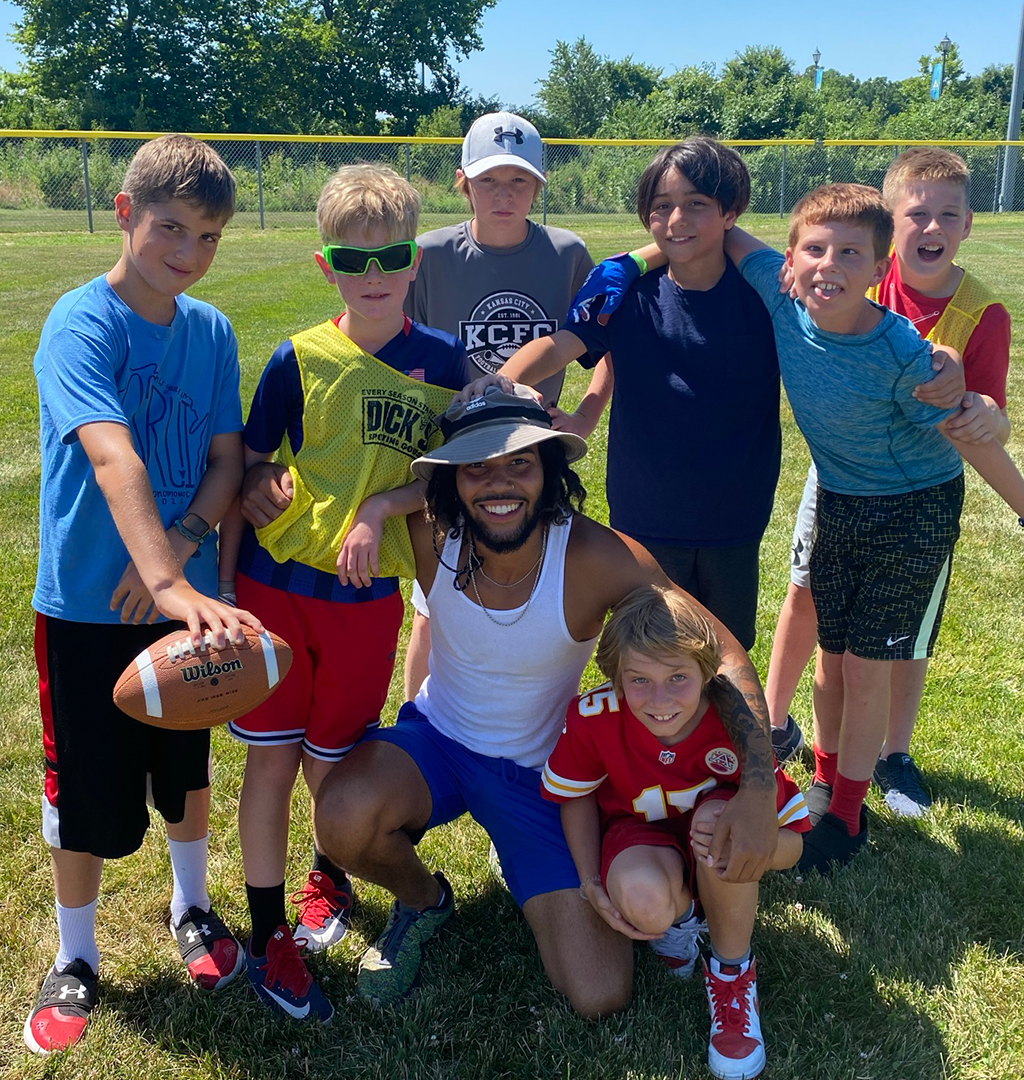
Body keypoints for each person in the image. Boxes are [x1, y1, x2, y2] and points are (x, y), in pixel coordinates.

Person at [312, 385, 781, 1017]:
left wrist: (756, 792)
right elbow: (314, 476)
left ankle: (523, 858)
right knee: (342, 815)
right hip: (436, 741)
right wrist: (366, 505)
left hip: (542, 776)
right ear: (452, 480)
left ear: (550, 470)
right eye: (477, 466)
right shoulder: (429, 534)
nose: (499, 484)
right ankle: (424, 900)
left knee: (599, 993)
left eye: (519, 463)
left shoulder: (591, 555)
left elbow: (722, 653)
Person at [726, 183, 1024, 873]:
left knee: (869, 669)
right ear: (789, 259)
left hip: (913, 511)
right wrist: (631, 261)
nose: (829, 265)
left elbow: (970, 440)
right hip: (842, 502)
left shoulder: (905, 353)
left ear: (880, 270)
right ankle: (826, 783)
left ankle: (847, 820)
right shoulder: (782, 292)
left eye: (851, 253)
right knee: (831, 655)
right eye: (814, 250)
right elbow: (725, 234)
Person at [25, 134, 264, 1055]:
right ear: (125, 213)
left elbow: (223, 460)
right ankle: (76, 955)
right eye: (171, 227)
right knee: (80, 787)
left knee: (186, 768)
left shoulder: (209, 331)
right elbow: (111, 449)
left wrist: (182, 550)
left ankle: (193, 908)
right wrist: (156, 575)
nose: (188, 252)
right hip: (90, 602)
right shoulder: (80, 323)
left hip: (183, 604)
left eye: (207, 237)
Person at [217, 163, 467, 1022]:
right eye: (350, 260)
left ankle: (330, 877)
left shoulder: (443, 365)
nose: (372, 277)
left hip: (366, 599)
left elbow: (453, 477)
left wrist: (385, 504)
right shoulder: (297, 357)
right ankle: (265, 929)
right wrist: (259, 489)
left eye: (389, 257)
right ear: (325, 265)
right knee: (271, 759)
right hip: (276, 585)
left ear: (414, 262)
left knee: (336, 763)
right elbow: (250, 465)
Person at [763, 147, 1019, 815]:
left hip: (912, 495)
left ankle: (891, 754)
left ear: (968, 224)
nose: (931, 228)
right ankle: (772, 725)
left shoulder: (977, 312)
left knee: (897, 637)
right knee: (807, 601)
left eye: (948, 215)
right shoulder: (850, 272)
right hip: (836, 476)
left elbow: (985, 415)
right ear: (893, 222)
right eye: (918, 214)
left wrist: (977, 400)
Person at [497, 137, 781, 653]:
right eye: (661, 207)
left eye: (696, 203)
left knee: (726, 653)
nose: (677, 220)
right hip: (646, 510)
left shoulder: (763, 300)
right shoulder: (627, 297)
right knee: (650, 648)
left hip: (735, 512)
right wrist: (502, 380)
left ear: (731, 211)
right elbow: (562, 344)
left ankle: (727, 737)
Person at [541, 584, 809, 1079]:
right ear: (615, 679)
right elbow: (574, 793)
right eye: (639, 679)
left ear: (710, 674)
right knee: (643, 896)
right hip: (641, 844)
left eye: (678, 677)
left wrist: (748, 849)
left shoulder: (736, 727)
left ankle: (732, 972)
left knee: (715, 824)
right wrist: (589, 880)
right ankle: (682, 919)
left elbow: (793, 842)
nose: (659, 699)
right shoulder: (595, 717)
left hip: (714, 856)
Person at [401, 110, 610, 698]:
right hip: (453, 450)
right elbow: (397, 343)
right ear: (462, 182)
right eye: (489, 180)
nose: (504, 193)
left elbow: (605, 344)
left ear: (539, 187)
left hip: (533, 448)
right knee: (435, 599)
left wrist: (588, 413)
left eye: (519, 181)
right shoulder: (431, 254)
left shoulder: (567, 254)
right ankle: (419, 717)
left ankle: (525, 709)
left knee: (535, 585)